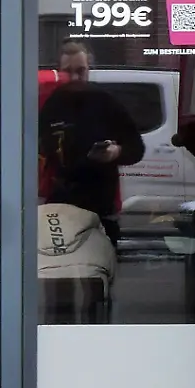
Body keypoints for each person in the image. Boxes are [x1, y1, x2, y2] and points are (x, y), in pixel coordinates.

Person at [38, 40, 145, 245]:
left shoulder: (106, 103)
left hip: (101, 207)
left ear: (90, 69)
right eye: (69, 71)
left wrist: (116, 152)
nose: (76, 77)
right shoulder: (51, 106)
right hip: (61, 206)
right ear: (60, 71)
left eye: (81, 70)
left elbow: (136, 148)